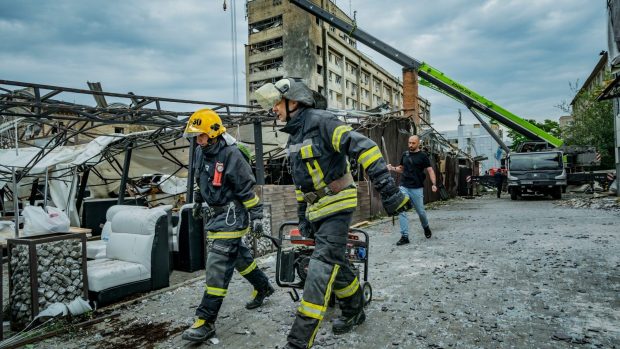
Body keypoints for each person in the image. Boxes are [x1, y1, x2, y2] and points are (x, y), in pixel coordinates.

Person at [254, 78, 411, 349]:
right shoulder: (294, 137)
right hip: (316, 211)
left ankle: (298, 341)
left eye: (277, 104)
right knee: (336, 263)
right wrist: (303, 214)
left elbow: (366, 148)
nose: (274, 110)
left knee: (320, 267)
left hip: (338, 204)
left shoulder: (322, 121)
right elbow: (302, 182)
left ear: (294, 102)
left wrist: (388, 190)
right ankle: (354, 308)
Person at [181, 109, 275, 343]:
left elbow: (247, 190)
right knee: (239, 257)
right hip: (216, 216)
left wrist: (257, 216)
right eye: (195, 136)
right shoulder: (202, 152)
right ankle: (263, 286)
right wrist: (198, 201)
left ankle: (205, 321)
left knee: (217, 264)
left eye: (201, 135)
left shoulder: (232, 154)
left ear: (213, 133)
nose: (198, 140)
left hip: (233, 217)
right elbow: (199, 180)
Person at [387, 135, 437, 246]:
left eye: (413, 143)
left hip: (417, 188)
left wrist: (434, 184)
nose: (410, 145)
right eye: (409, 142)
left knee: (421, 212)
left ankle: (426, 227)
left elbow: (430, 170)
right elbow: (401, 168)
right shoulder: (405, 154)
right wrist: (392, 168)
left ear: (418, 143)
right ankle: (405, 236)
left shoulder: (423, 156)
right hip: (404, 186)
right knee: (402, 210)